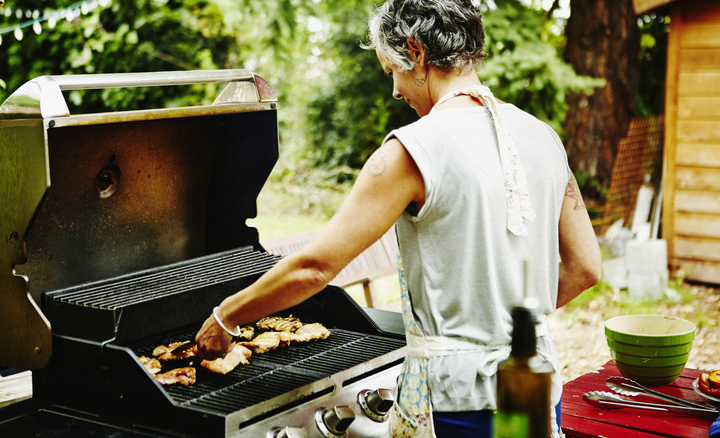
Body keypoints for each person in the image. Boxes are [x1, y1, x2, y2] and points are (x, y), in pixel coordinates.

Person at [193, 0, 602, 436]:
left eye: (392, 71)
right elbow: (586, 267)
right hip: (537, 386)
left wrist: (226, 316)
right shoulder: (542, 136)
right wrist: (508, 327)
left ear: (417, 52)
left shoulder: (413, 149)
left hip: (460, 403)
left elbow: (315, 267)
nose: (395, 91)